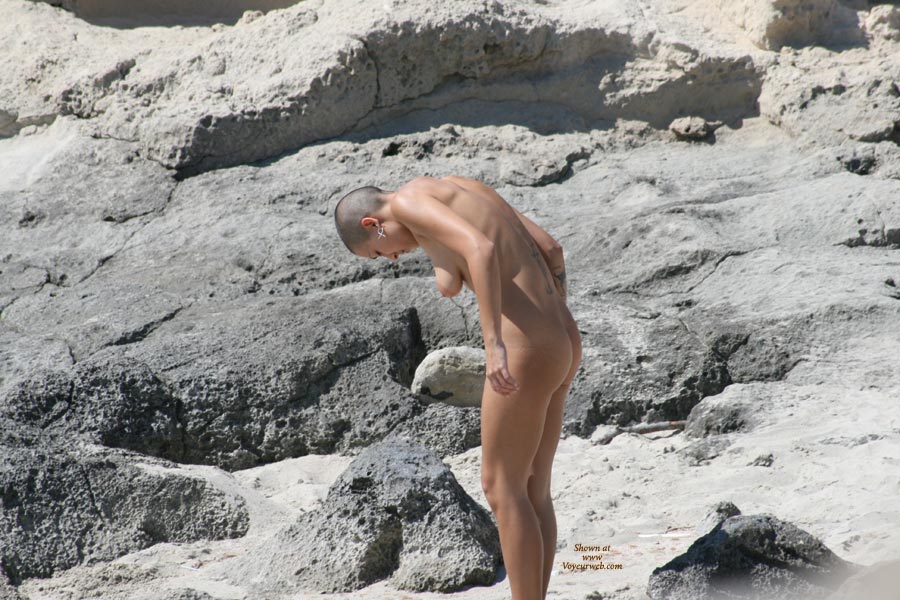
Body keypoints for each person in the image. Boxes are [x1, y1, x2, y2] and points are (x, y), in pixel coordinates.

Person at [333, 175, 582, 600]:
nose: (391, 258)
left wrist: (494, 344)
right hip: (563, 338)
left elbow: (479, 250)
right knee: (533, 487)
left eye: (377, 251)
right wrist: (553, 310)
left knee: (501, 487)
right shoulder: (459, 187)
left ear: (373, 224)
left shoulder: (408, 202)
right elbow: (551, 247)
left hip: (524, 349)